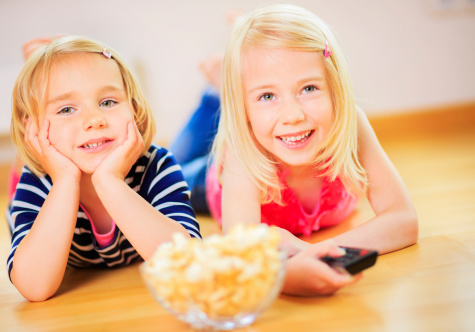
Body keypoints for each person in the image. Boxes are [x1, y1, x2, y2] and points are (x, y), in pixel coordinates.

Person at [171, 4, 418, 296]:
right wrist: (285, 277)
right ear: (245, 111)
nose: (293, 115)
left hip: (264, 129)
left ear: (335, 87)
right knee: (169, 170)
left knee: (263, 105)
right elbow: (240, 250)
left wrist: (311, 252)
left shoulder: (353, 125)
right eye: (267, 95)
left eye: (309, 88)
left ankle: (241, 80)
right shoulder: (242, 148)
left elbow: (404, 221)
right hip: (212, 177)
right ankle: (218, 93)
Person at [7, 36, 201, 302]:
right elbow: (34, 287)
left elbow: (189, 265)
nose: (94, 120)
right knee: (23, 167)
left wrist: (110, 180)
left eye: (108, 102)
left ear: (134, 109)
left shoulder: (157, 166)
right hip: (40, 182)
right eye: (66, 109)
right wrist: (64, 181)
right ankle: (36, 74)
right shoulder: (38, 181)